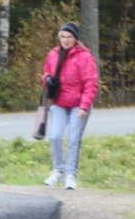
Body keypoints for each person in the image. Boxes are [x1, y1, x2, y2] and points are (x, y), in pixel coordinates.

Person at [40, 22, 100, 191]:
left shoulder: (84, 57)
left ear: (75, 39)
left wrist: (84, 106)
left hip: (78, 104)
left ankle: (70, 175)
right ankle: (58, 169)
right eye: (62, 36)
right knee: (55, 136)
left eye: (69, 37)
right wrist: (46, 80)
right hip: (58, 102)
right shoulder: (53, 54)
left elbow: (91, 82)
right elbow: (46, 73)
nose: (65, 40)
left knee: (73, 139)